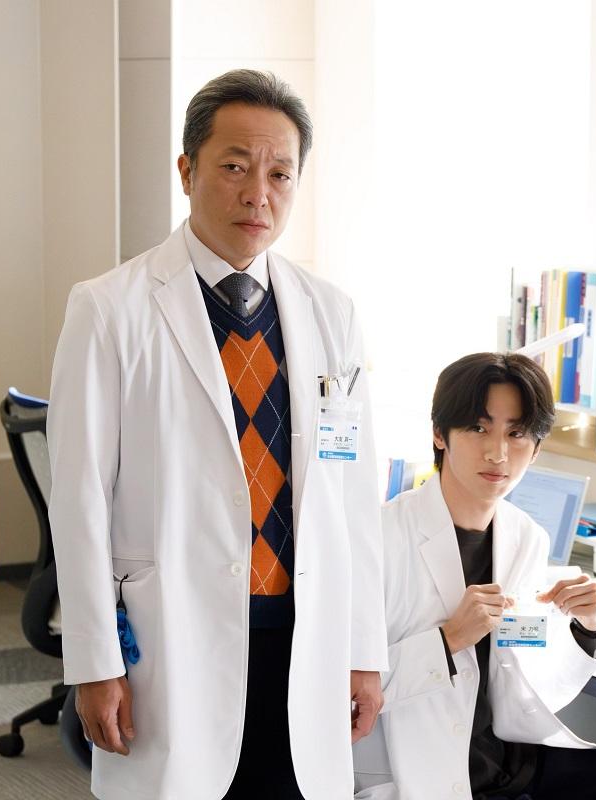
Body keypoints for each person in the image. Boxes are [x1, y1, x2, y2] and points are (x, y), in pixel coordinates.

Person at [48, 69, 387, 800]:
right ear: (187, 171)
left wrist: (365, 650)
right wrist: (95, 661)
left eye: (279, 173)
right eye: (234, 167)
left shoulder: (332, 314)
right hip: (174, 634)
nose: (257, 193)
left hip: (304, 637)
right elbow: (77, 502)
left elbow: (355, 502)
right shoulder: (110, 309)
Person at [353, 352, 596, 800]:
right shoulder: (379, 539)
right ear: (439, 433)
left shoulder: (526, 536)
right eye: (479, 429)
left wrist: (589, 628)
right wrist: (448, 640)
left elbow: (529, 677)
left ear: (538, 446)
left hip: (515, 764)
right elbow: (346, 695)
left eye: (517, 434)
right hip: (424, 774)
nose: (498, 453)